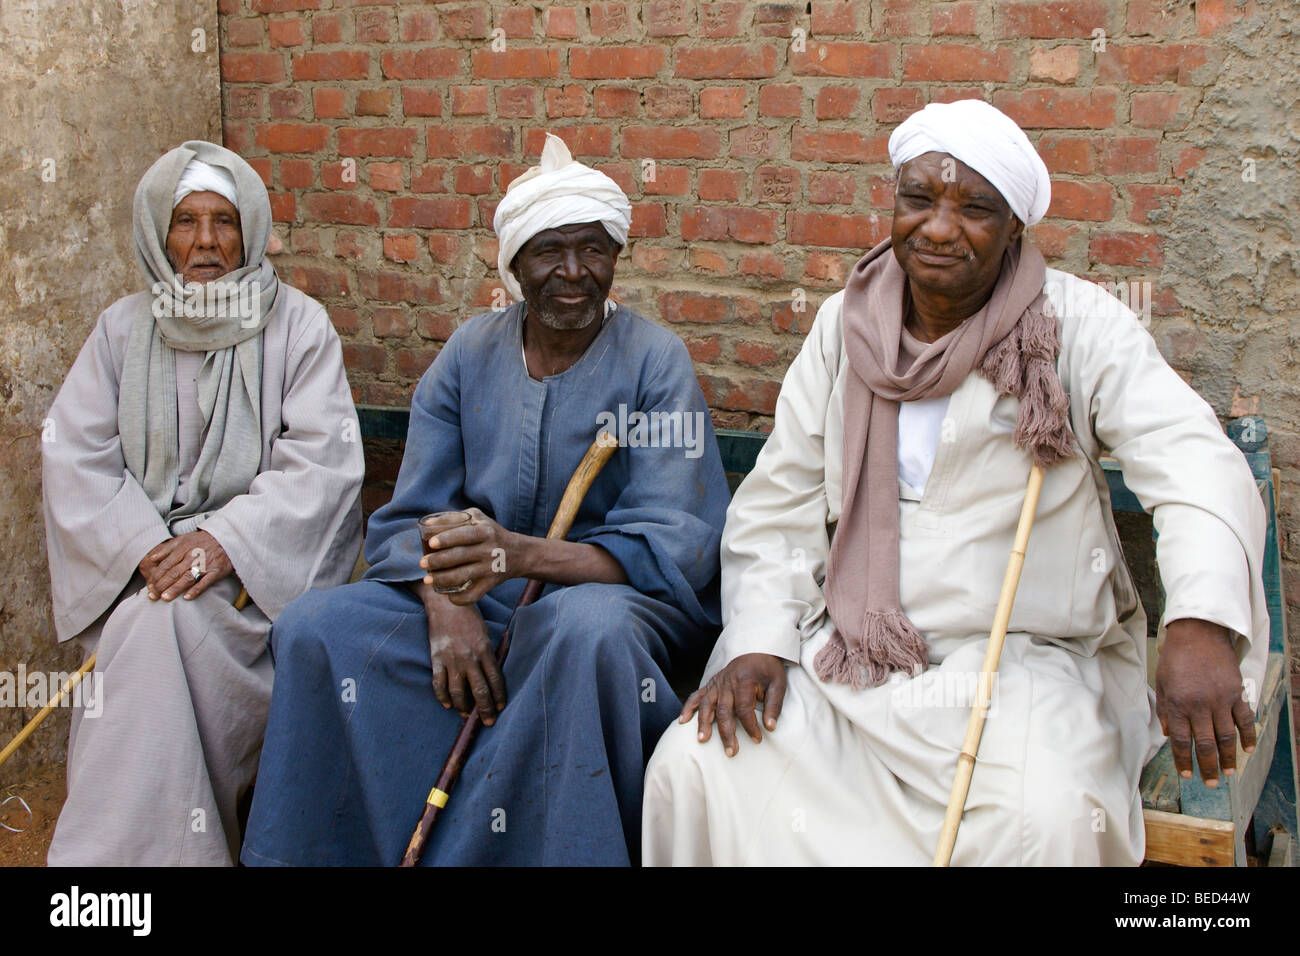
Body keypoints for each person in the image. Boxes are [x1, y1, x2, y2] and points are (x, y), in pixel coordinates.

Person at [642, 100, 1269, 866]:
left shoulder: (1074, 326)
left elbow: (1194, 458)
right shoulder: (844, 327)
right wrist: (758, 642)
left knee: (1048, 820)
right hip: (852, 661)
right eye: (919, 200)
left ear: (1015, 229)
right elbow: (779, 509)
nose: (939, 228)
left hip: (1026, 665)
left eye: (975, 208)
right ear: (894, 205)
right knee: (695, 769)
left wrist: (1199, 622)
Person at [241, 133, 730, 867]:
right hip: (478, 593)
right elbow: (412, 517)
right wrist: (447, 602)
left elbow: (673, 549)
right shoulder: (469, 354)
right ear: (514, 265)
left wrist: (518, 555)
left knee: (585, 636)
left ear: (616, 257)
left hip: (607, 601)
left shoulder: (655, 361)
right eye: (549, 252)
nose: (574, 273)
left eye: (594, 250)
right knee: (317, 627)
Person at [42, 141, 365, 865]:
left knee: (158, 634)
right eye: (185, 222)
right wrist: (141, 547)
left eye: (224, 221)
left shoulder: (300, 327)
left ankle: (115, 866)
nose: (207, 242)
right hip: (148, 576)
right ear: (159, 234)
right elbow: (75, 454)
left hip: (253, 587)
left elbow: (322, 465)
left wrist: (224, 545)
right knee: (149, 625)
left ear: (250, 229)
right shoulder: (122, 330)